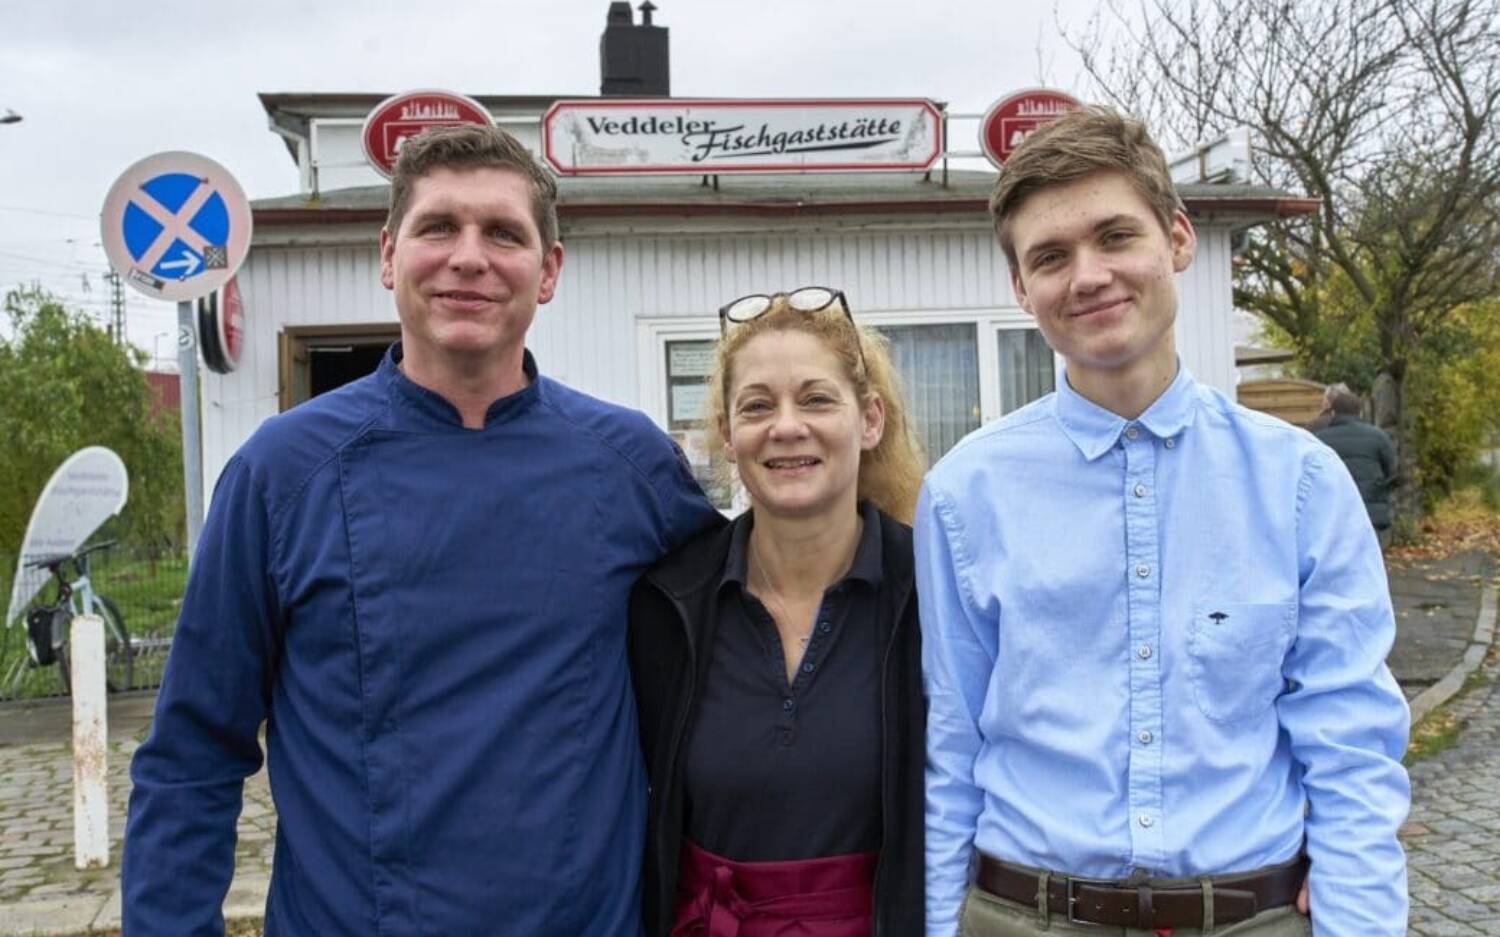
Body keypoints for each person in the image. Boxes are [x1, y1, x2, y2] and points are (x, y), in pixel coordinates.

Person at [122, 125, 722, 936]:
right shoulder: (282, 475)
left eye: (503, 232)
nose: (468, 257)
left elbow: (747, 651)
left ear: (547, 271)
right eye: (438, 227)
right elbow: (192, 753)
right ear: (387, 256)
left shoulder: (633, 468)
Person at [917, 107, 1410, 937]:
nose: (1089, 275)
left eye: (1115, 236)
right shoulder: (966, 492)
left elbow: (1351, 740)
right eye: (1051, 256)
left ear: (1177, 239)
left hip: (1251, 917)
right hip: (1023, 916)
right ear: (1020, 288)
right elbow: (950, 743)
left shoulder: (1300, 484)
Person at [628, 288, 928, 936]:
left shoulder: (933, 591)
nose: (787, 426)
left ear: (870, 419)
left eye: (817, 398)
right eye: (757, 405)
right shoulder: (666, 604)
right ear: (729, 435)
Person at [1313, 382, 1398, 547]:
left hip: (1334, 511)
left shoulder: (1320, 439)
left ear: (1334, 411)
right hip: (1371, 510)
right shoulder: (1378, 436)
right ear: (1359, 412)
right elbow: (1392, 471)